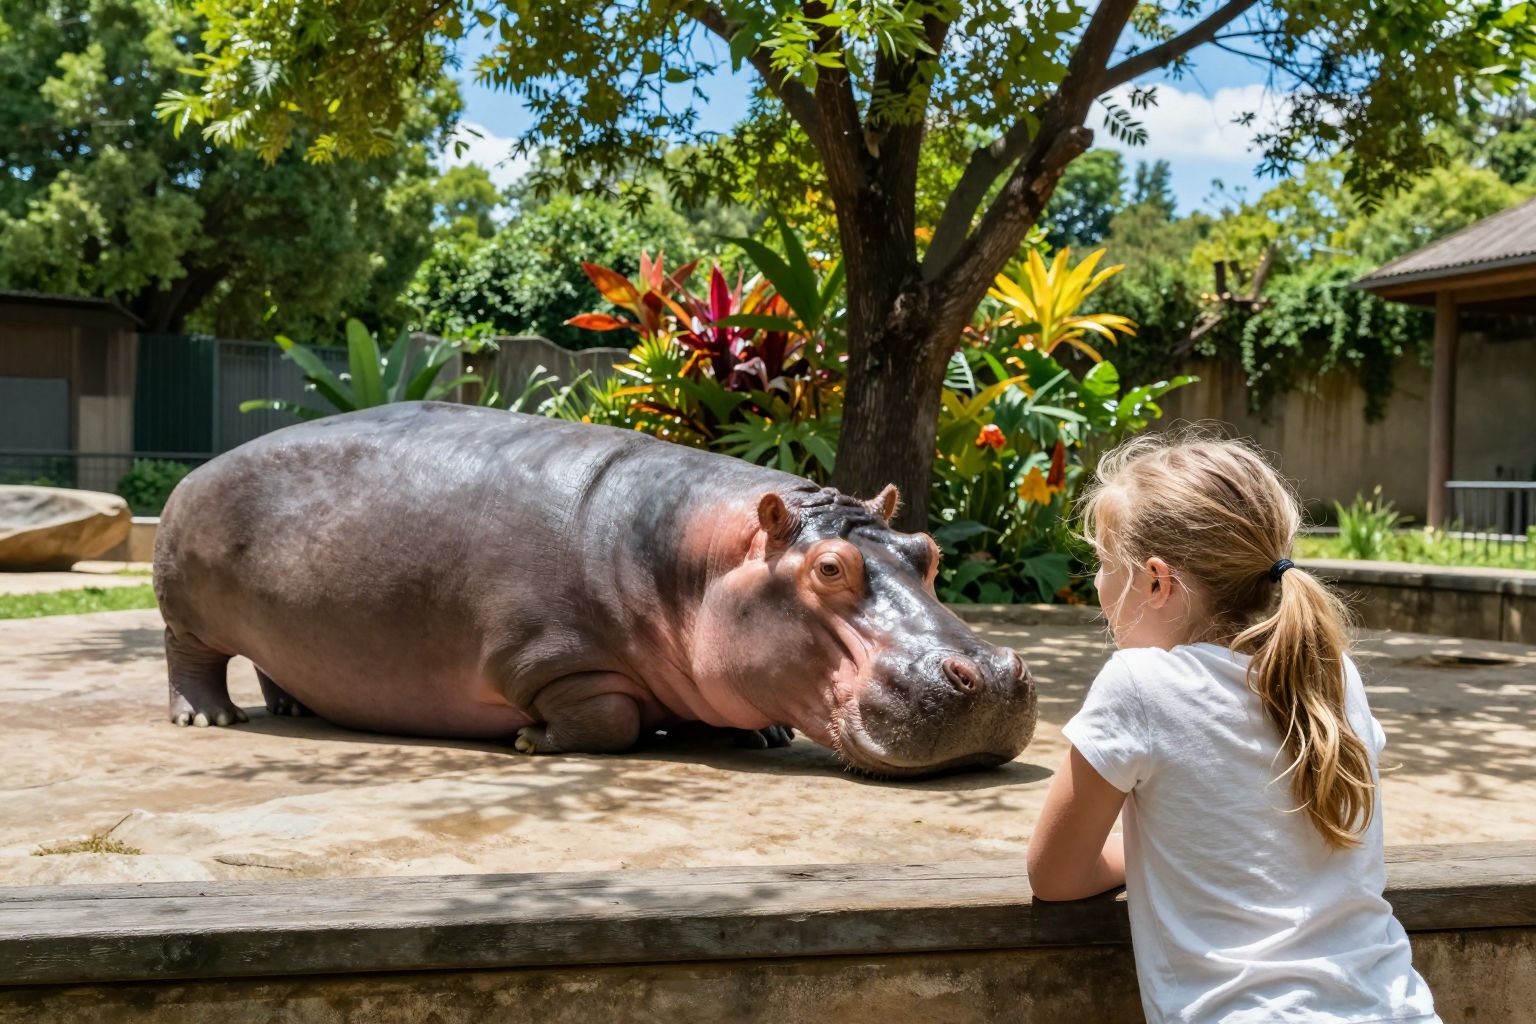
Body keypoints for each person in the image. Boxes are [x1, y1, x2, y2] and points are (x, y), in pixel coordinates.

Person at [1026, 432, 1439, 1024]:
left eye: (1101, 563)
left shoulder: (1138, 684)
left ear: (1156, 582)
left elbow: (1056, 875)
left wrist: (1149, 857)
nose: (1096, 584)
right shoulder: (1333, 672)